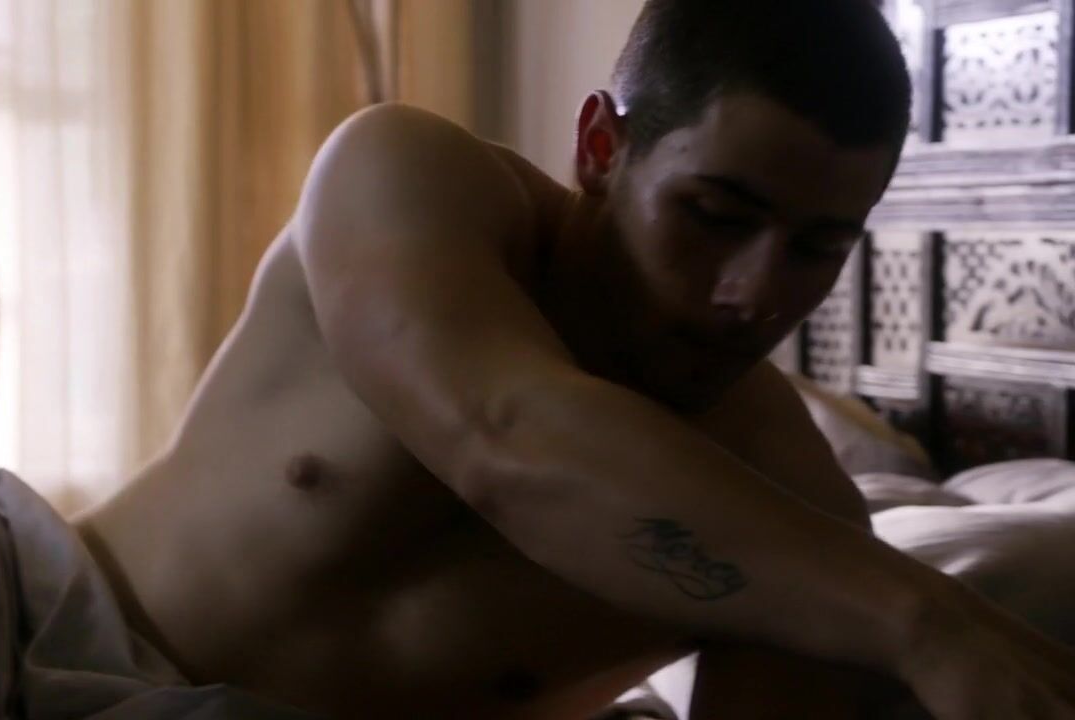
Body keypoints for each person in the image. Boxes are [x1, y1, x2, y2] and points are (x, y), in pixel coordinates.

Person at [79, 1, 1075, 718]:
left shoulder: (803, 517)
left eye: (817, 248)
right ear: (600, 145)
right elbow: (506, 438)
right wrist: (924, 617)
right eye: (713, 215)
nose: (754, 295)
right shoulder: (407, 175)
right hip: (27, 631)